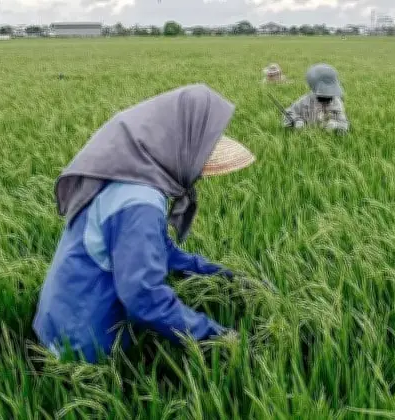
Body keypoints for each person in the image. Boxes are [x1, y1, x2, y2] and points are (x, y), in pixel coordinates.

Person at [33, 84, 256, 363]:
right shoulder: (140, 202)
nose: (199, 177)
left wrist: (220, 274)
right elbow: (143, 297)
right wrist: (217, 337)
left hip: (62, 313)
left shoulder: (128, 175)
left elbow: (161, 250)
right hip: (83, 340)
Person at [283, 63, 349, 133]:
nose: (327, 98)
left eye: (329, 96)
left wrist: (336, 125)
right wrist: (297, 121)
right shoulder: (304, 101)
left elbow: (344, 123)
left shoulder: (336, 103)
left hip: (328, 139)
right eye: (323, 95)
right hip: (306, 137)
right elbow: (288, 114)